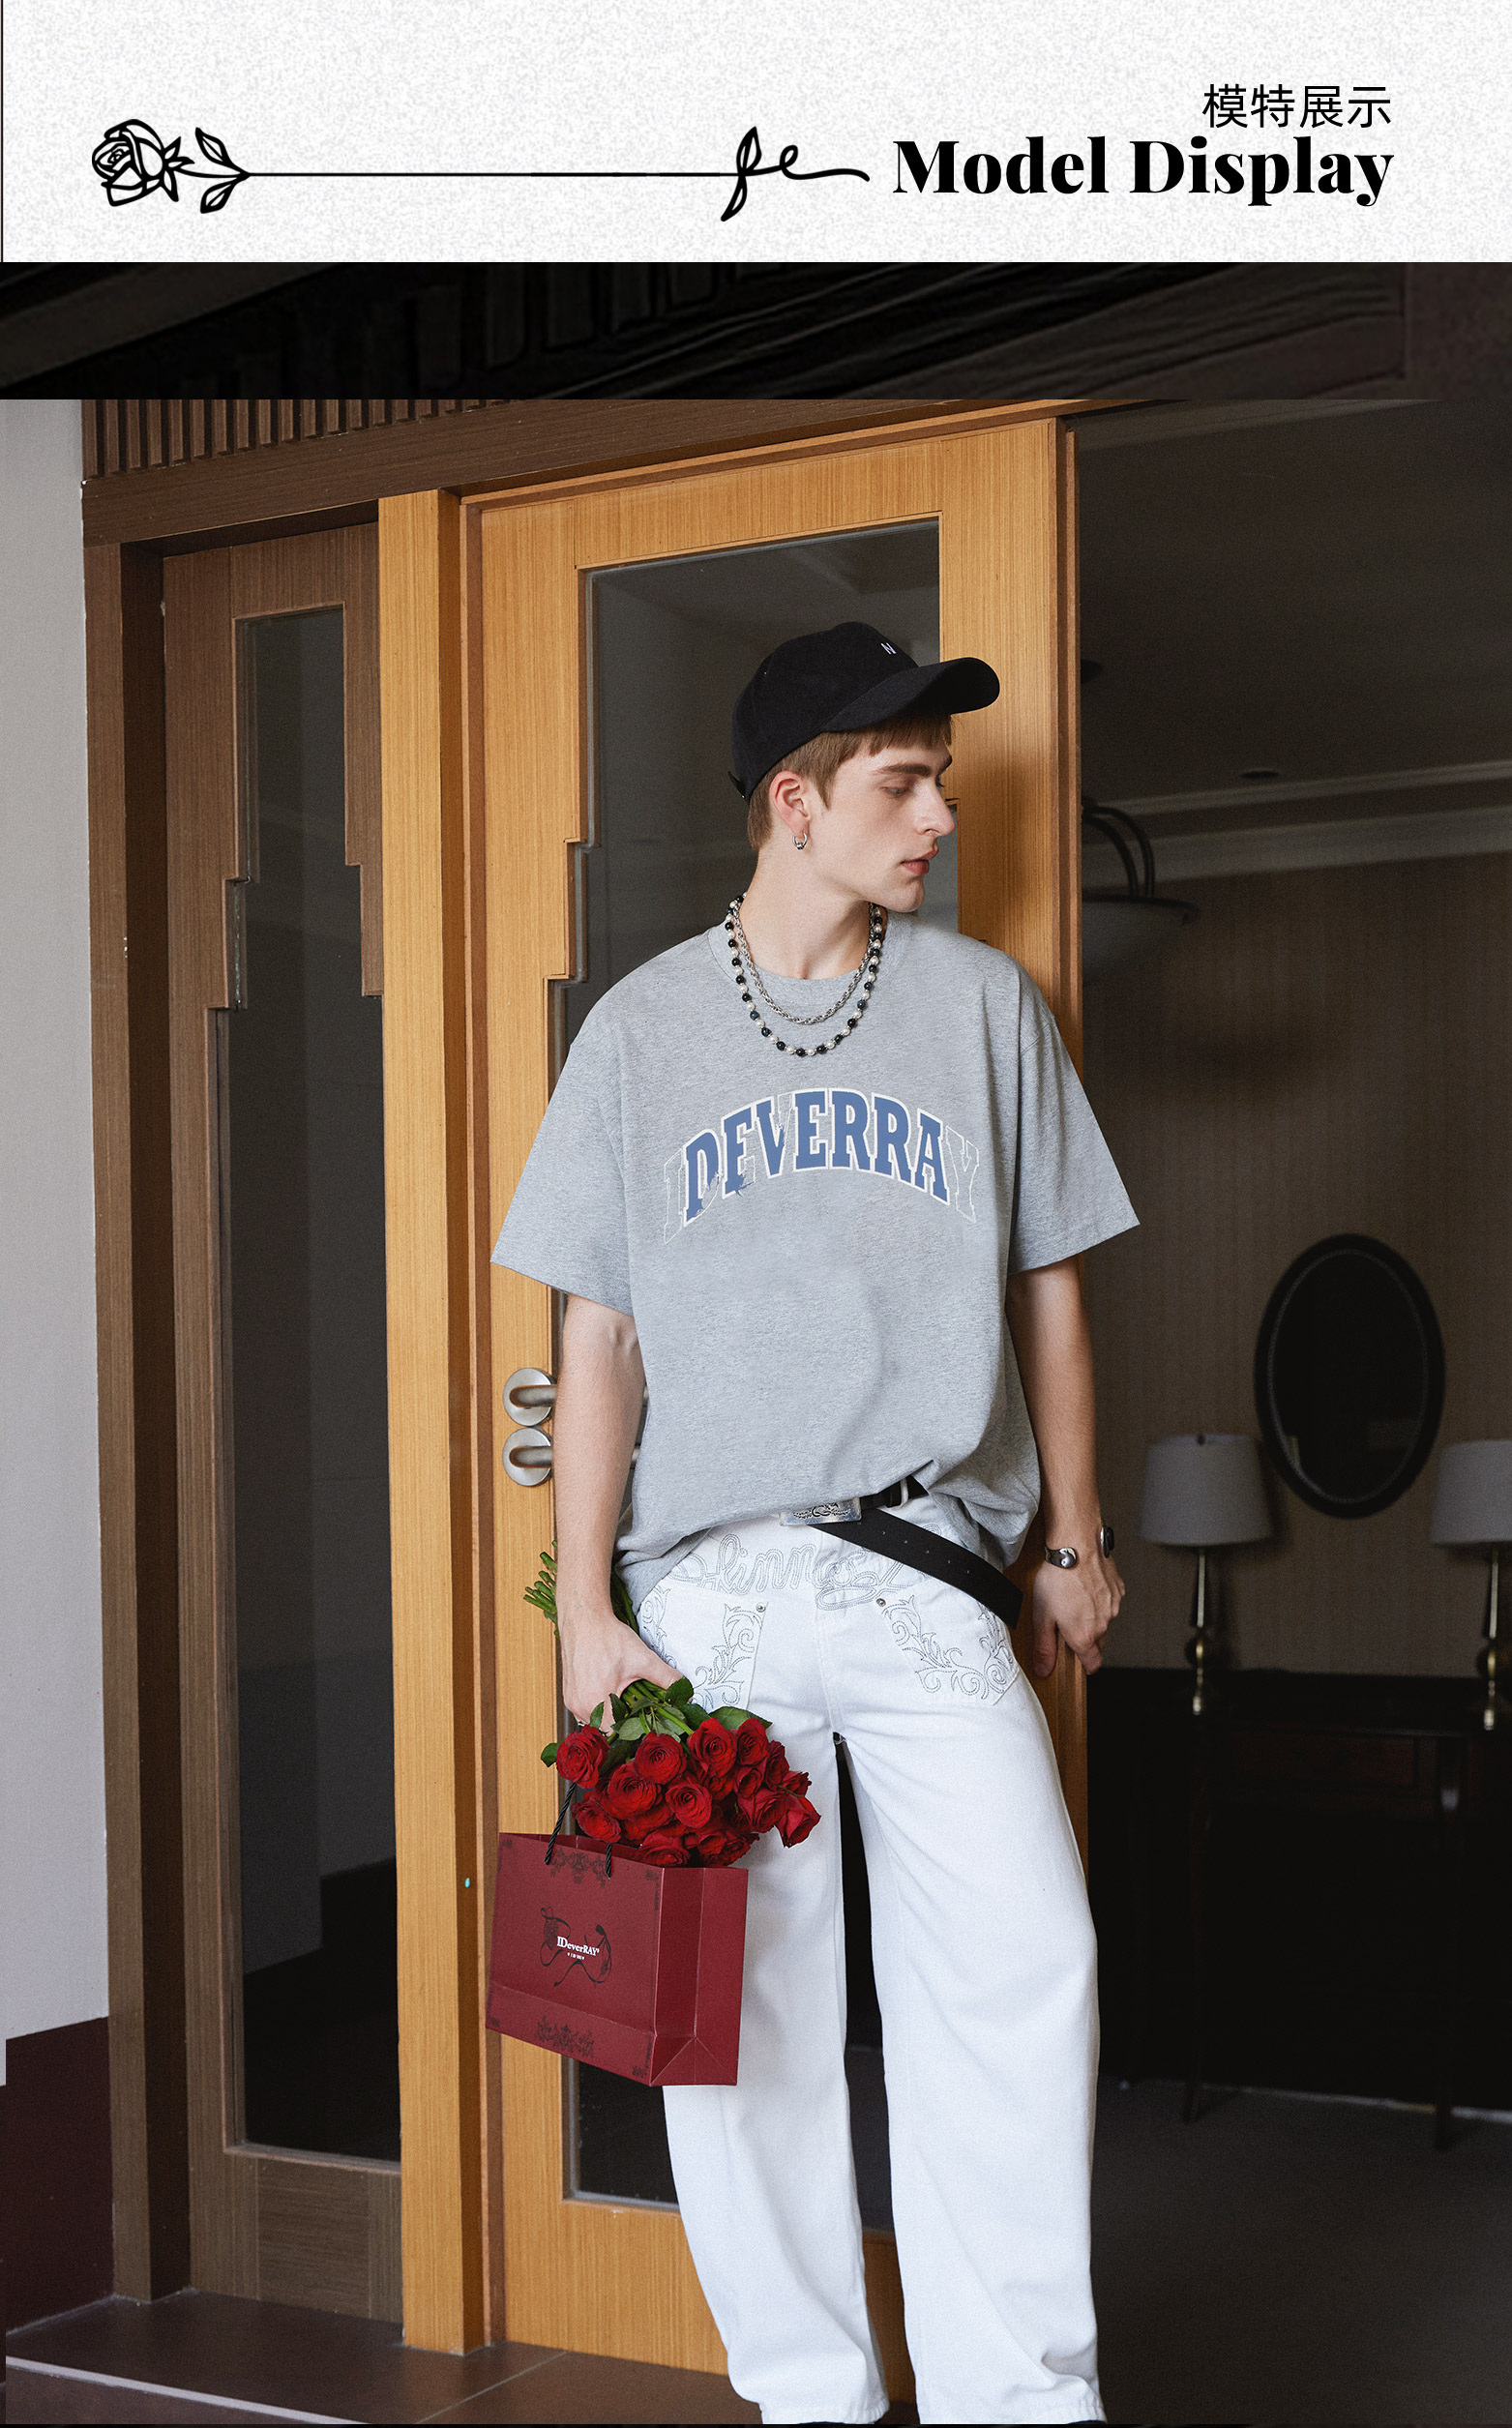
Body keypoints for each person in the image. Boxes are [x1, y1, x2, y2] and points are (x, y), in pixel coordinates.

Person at [491, 619, 1137, 2426]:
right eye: (904, 783)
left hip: (930, 1575)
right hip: (716, 1600)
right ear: (795, 799)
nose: (939, 815)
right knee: (745, 2023)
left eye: (941, 781)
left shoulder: (985, 1008)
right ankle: (809, 2396)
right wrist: (586, 1612)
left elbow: (1051, 1290)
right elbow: (597, 1337)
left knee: (1024, 1975)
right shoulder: (639, 1031)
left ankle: (1021, 2400)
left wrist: (1075, 1536)